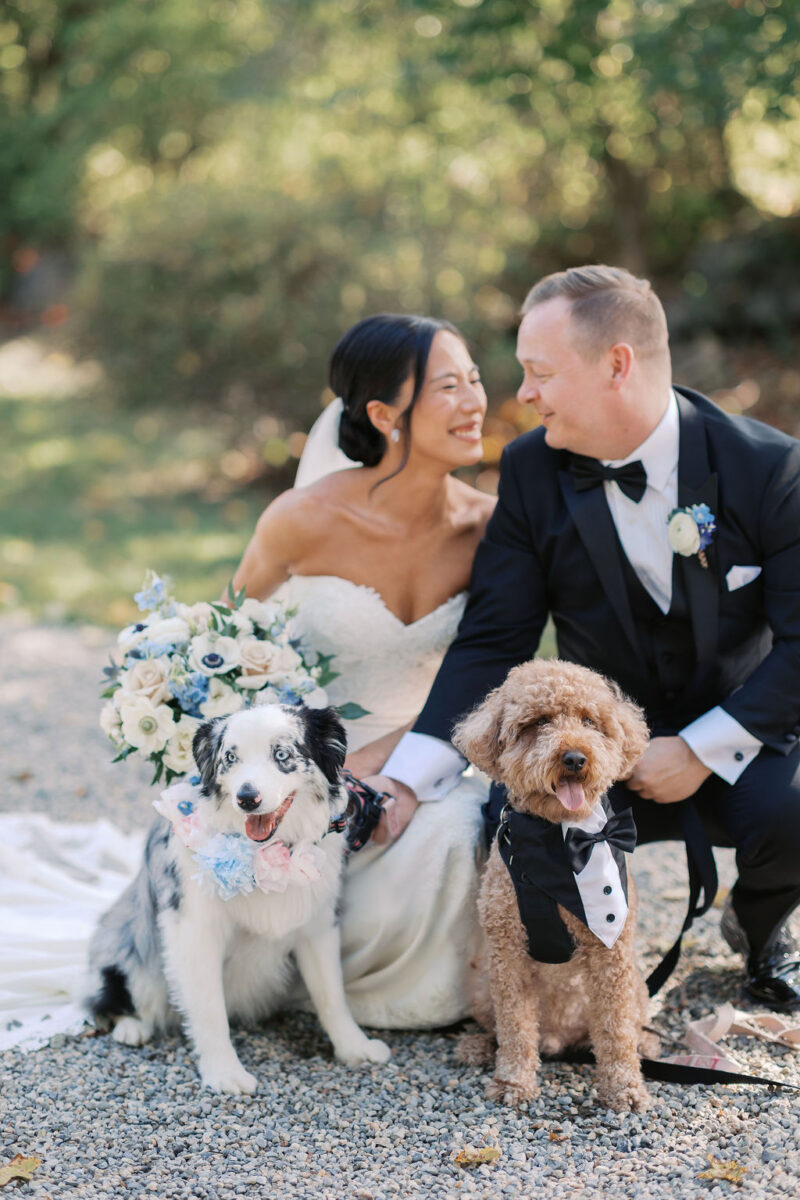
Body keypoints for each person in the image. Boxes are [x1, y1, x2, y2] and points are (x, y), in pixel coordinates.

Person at [376, 266, 800, 1012]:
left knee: (796, 812)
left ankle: (762, 927)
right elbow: (493, 639)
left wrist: (699, 749)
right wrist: (406, 780)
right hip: (582, 750)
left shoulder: (770, 469)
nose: (523, 394)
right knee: (499, 825)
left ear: (616, 365)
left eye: (540, 373)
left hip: (739, 735)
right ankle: (554, 994)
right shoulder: (530, 470)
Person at [230, 313, 494, 1028]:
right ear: (384, 414)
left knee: (460, 831)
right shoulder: (300, 519)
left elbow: (488, 670)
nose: (474, 401)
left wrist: (389, 764)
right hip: (303, 768)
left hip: (428, 754)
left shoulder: (491, 528)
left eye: (474, 380)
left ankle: (414, 993)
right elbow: (223, 642)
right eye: (448, 386)